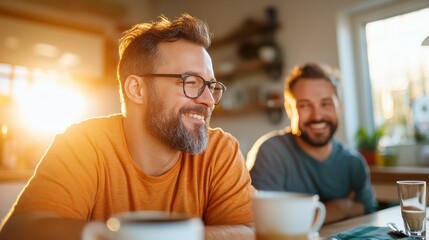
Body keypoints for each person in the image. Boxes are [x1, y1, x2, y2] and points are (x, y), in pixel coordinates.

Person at [0, 14, 255, 240]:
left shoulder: (220, 150)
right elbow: (19, 232)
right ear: (137, 89)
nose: (209, 100)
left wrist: (168, 236)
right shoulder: (85, 144)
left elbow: (250, 231)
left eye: (211, 86)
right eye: (191, 82)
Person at [247, 63, 378, 224]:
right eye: (305, 105)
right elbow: (265, 221)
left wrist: (297, 215)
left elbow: (371, 214)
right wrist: (342, 208)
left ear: (339, 107)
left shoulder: (353, 162)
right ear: (289, 109)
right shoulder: (271, 153)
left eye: (326, 104)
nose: (317, 116)